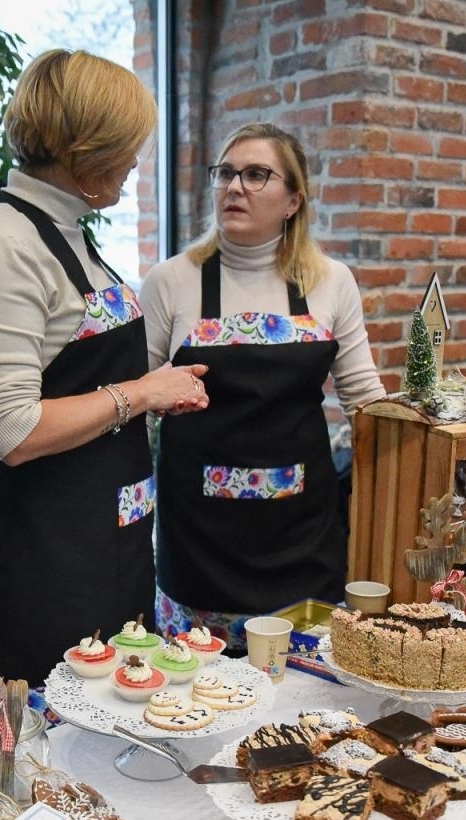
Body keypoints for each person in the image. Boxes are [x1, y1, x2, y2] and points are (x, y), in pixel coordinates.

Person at [0, 49, 208, 685]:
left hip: (105, 534)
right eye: (127, 146)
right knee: (65, 732)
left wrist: (149, 393)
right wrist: (140, 394)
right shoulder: (1, 247)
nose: (136, 162)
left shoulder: (63, 231)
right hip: (49, 551)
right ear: (83, 150)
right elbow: (12, 429)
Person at [139, 123, 383, 645]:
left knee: (304, 694)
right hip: (198, 538)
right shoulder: (171, 281)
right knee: (196, 696)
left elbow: (365, 401)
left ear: (294, 199)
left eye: (256, 175)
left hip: (302, 533)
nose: (234, 187)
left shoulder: (331, 281)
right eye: (226, 173)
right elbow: (136, 402)